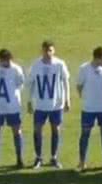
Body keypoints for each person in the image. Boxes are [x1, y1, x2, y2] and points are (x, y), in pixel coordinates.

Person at [27, 40, 71, 169]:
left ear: (54, 51)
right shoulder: (36, 65)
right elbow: (30, 83)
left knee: (55, 129)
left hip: (56, 104)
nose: (48, 53)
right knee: (37, 130)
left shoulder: (59, 64)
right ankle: (38, 157)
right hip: (40, 105)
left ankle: (54, 157)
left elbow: (65, 81)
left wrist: (67, 99)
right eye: (46, 50)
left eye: (50, 50)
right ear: (42, 51)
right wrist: (29, 101)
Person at [76, 47, 102, 172]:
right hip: (88, 108)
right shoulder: (84, 69)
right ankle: (82, 162)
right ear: (97, 57)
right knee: (85, 134)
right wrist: (86, 98)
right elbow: (79, 86)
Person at [0, 49, 25, 169]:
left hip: (13, 107)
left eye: (8, 60)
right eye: (4, 61)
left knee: (17, 131)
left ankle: (19, 159)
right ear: (0, 60)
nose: (7, 63)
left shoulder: (16, 69)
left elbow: (20, 84)